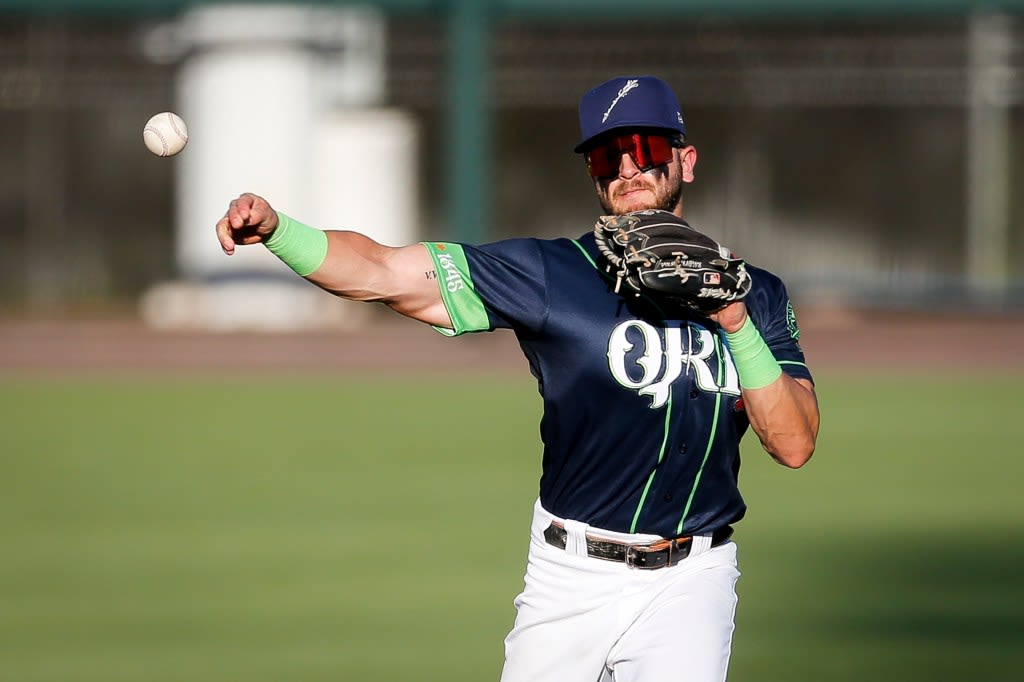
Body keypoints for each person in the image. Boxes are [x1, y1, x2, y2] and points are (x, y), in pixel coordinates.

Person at [216, 75, 819, 682]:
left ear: (685, 160)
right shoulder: (552, 275)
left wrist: (735, 323)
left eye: (647, 147)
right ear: (593, 174)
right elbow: (385, 272)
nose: (630, 168)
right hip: (571, 577)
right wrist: (278, 231)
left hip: (694, 579)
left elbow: (794, 444)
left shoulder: (755, 293)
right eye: (609, 155)